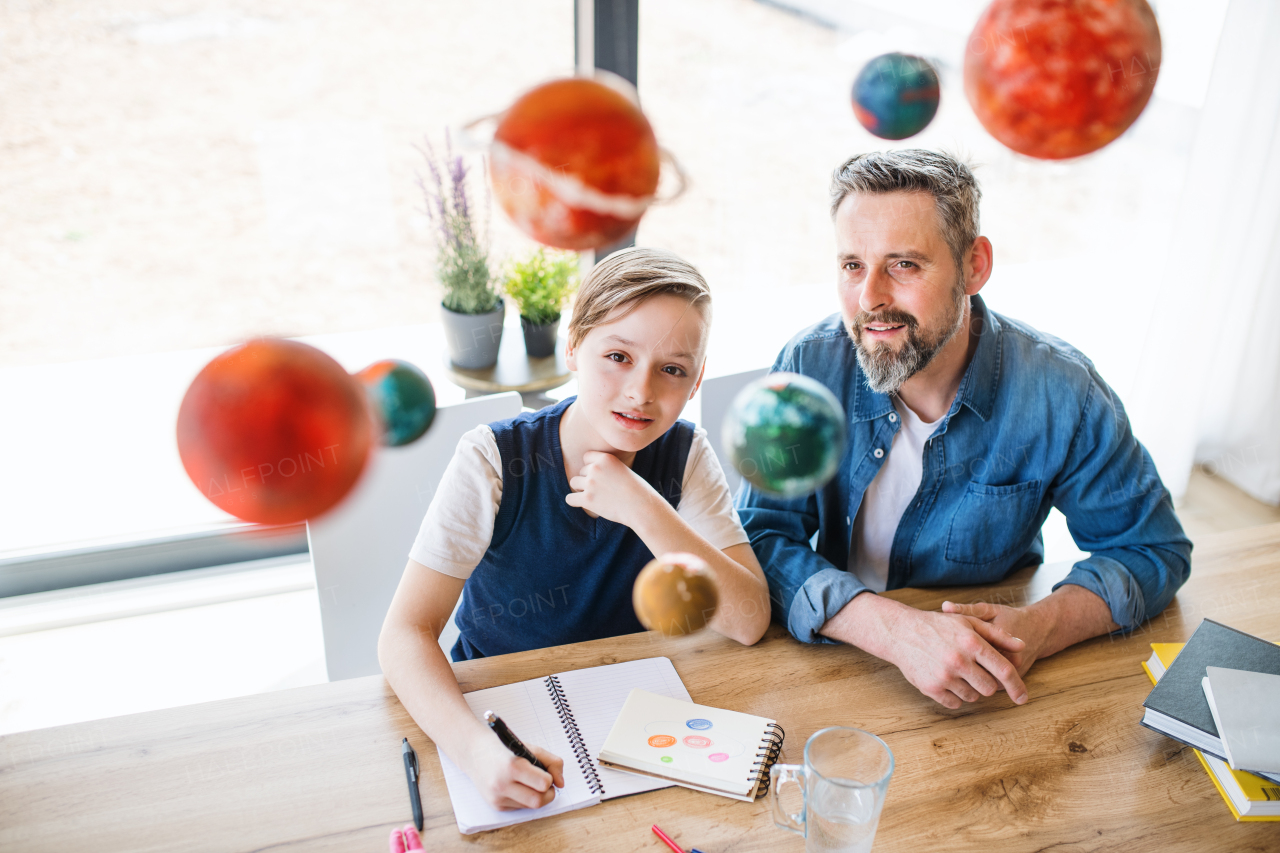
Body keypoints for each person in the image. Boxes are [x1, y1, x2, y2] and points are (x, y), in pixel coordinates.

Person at [738, 150, 1192, 711]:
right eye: (853, 265)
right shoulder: (808, 365)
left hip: (999, 680)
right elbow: (759, 537)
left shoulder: (1061, 391)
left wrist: (1037, 629)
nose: (869, 298)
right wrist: (893, 631)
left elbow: (1151, 548)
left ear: (974, 266)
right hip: (842, 662)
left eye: (903, 265)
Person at [379, 247, 771, 811]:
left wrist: (641, 505)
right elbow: (403, 634)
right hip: (500, 711)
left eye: (673, 369)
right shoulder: (492, 458)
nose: (641, 391)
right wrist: (476, 750)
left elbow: (749, 619)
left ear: (696, 379)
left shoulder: (685, 456)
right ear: (573, 346)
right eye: (617, 355)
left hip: (631, 718)